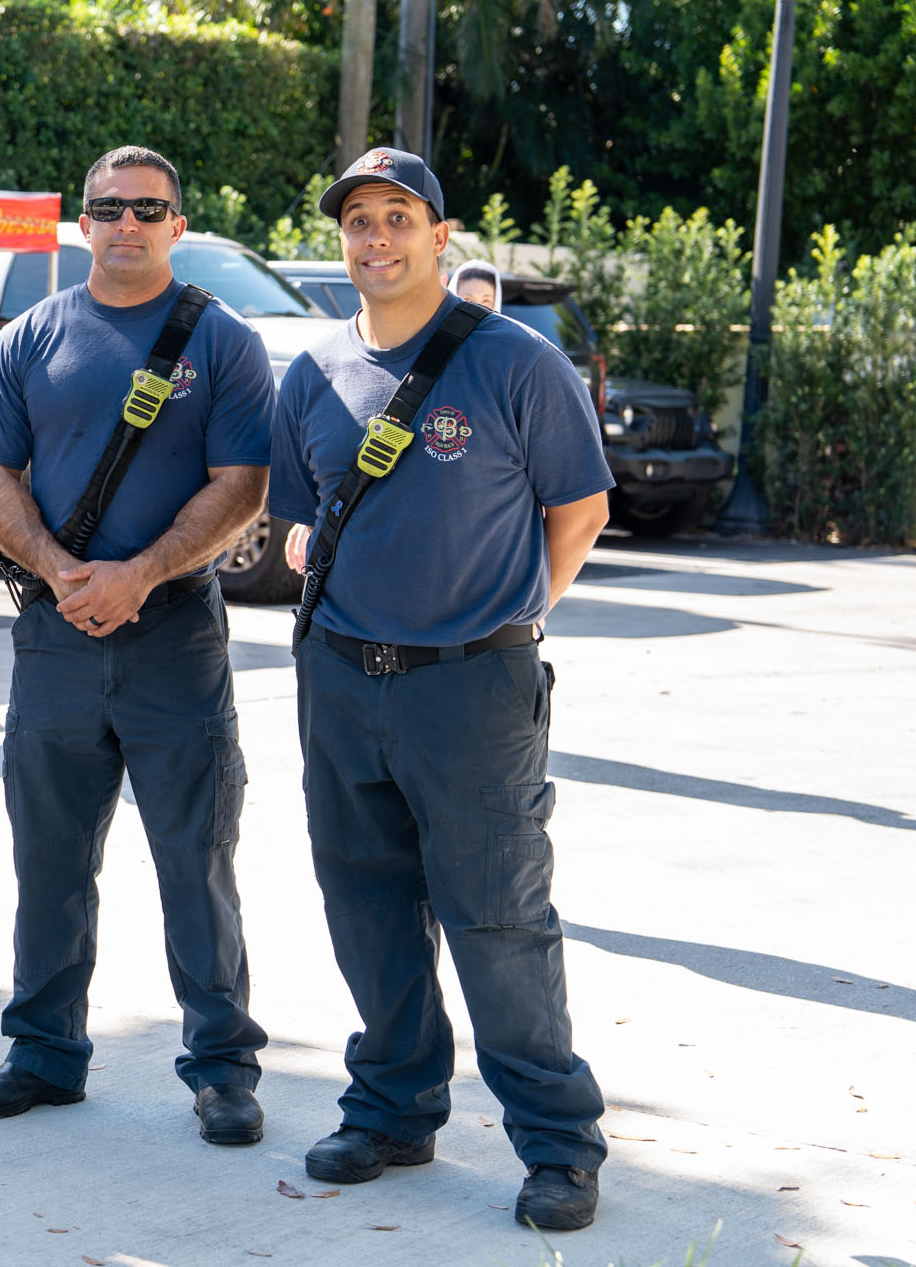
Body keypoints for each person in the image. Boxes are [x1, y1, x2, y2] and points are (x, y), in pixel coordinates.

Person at [269, 148, 612, 1231]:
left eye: (398, 218)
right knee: (366, 901)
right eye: (358, 221)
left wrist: (514, 614)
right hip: (339, 673)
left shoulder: (513, 362)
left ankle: (558, 1141)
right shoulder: (313, 371)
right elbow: (294, 515)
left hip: (473, 684)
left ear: (440, 234)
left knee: (499, 914)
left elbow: (579, 511)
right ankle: (393, 1106)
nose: (377, 238)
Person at [0, 146, 276, 1141]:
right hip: (54, 636)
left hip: (174, 638)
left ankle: (222, 1066)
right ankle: (44, 1053)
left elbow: (242, 482)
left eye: (149, 208)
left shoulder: (222, 342)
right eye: (109, 207)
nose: (127, 222)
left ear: (178, 225)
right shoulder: (32, 335)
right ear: (83, 222)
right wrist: (56, 568)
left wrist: (141, 573)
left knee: (196, 856)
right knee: (48, 858)